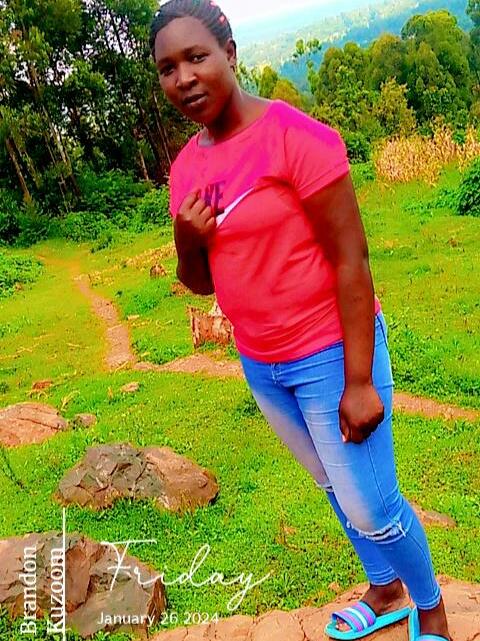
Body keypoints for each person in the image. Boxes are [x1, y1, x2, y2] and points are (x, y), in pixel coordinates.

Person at [149, 1, 452, 639]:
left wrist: (359, 380)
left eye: (197, 57)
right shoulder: (186, 170)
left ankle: (433, 610)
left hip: (330, 354)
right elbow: (201, 281)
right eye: (168, 68)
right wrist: (185, 240)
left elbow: (351, 259)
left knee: (373, 504)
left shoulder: (296, 137)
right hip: (262, 363)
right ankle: (384, 589)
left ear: (230, 53)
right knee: (334, 487)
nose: (184, 78)